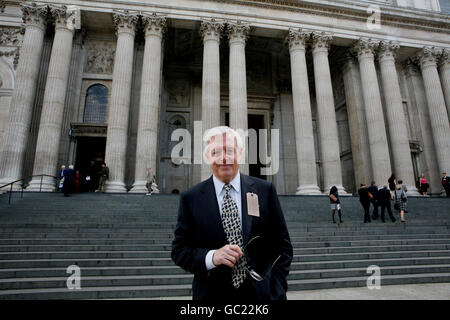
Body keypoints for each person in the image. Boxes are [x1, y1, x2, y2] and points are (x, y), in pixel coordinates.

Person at [171, 126, 293, 301]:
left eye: (230, 150)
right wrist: (212, 257)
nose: (224, 158)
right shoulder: (191, 198)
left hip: (262, 297)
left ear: (240, 154)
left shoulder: (264, 191)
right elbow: (179, 251)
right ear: (207, 157)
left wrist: (276, 288)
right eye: (215, 152)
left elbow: (283, 246)